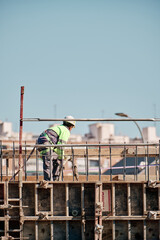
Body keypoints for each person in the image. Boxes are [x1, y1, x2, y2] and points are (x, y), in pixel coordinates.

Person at [37, 116, 76, 181]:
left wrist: (60, 158)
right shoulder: (65, 130)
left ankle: (54, 180)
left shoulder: (59, 128)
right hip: (47, 144)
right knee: (49, 163)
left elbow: (57, 146)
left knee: (55, 161)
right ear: (71, 126)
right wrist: (62, 158)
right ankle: (49, 182)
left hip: (43, 143)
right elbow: (61, 146)